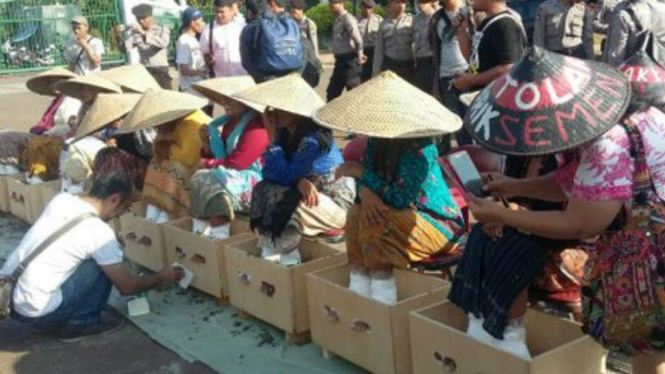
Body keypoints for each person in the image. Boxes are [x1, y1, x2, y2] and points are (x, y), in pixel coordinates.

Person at [448, 48, 632, 360]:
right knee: (486, 235)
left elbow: (578, 223)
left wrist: (506, 215)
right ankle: (486, 327)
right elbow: (565, 184)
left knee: (515, 246)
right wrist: (510, 188)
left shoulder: (605, 147)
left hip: (611, 240)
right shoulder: (579, 142)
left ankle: (507, 335)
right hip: (573, 228)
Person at [315, 71, 465, 304]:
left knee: (376, 220)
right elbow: (366, 178)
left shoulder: (420, 149)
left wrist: (360, 174)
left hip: (437, 224)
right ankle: (361, 290)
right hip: (394, 213)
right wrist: (365, 193)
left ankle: (382, 298)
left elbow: (399, 197)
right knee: (356, 213)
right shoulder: (377, 141)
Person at [0, 172, 183, 342]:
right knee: (105, 262)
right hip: (38, 314)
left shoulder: (62, 200)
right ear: (114, 199)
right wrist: (161, 277)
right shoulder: (99, 233)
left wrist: (110, 245)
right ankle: (81, 323)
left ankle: (67, 315)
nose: (121, 214)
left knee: (102, 254)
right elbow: (127, 287)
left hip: (10, 297)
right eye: (125, 208)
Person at [235, 74, 355, 265]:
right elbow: (269, 174)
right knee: (263, 189)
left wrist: (272, 140)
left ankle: (282, 254)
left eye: (282, 109)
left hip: (335, 202)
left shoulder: (315, 140)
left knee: (289, 203)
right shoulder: (285, 134)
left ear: (298, 111)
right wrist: (297, 181)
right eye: (273, 108)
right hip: (307, 196)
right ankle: (275, 252)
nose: (275, 113)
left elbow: (289, 174)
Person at [190, 76, 270, 239]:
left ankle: (220, 232)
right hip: (234, 175)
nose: (224, 102)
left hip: (257, 181)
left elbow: (239, 162)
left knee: (208, 179)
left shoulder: (256, 126)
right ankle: (200, 231)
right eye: (223, 98)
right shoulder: (229, 123)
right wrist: (207, 145)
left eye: (230, 98)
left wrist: (208, 163)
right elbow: (223, 157)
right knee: (200, 177)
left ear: (245, 101)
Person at [118, 89, 210, 223]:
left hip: (201, 173)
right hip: (186, 168)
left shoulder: (192, 124)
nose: (156, 127)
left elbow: (189, 159)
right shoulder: (172, 126)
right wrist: (166, 149)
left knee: (173, 167)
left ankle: (169, 213)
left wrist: (168, 149)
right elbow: (157, 149)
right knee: (156, 163)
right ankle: (154, 207)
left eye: (158, 122)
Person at [452, 0, 525, 92]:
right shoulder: (486, 23)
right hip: (483, 96)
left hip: (498, 98)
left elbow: (509, 67)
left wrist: (472, 80)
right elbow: (473, 60)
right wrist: (461, 29)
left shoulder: (504, 24)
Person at [430, 0, 473, 153]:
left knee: (470, 120)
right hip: (445, 75)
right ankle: (462, 162)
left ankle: (474, 157)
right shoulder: (436, 18)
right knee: (454, 120)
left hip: (468, 74)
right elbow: (433, 44)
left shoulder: (470, 12)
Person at [240, 0, 304, 83]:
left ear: (249, 11)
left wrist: (263, 78)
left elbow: (247, 62)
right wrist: (296, 74)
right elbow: (303, 51)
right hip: (292, 78)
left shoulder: (249, 29)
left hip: (266, 81)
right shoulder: (288, 23)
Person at [114, 4, 172, 89]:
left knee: (166, 99)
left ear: (151, 17)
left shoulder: (162, 29)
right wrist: (118, 36)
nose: (140, 21)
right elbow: (125, 49)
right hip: (146, 72)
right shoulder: (136, 34)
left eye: (143, 18)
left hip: (161, 73)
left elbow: (163, 43)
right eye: (138, 18)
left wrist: (144, 33)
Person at [603, 0, 665, 67]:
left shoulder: (624, 15)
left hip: (632, 70)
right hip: (660, 69)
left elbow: (616, 56)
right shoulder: (662, 9)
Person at [25, 67, 82, 137]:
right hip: (47, 135)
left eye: (58, 81)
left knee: (9, 136)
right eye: (52, 82)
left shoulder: (71, 100)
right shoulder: (57, 101)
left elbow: (68, 126)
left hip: (57, 138)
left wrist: (48, 133)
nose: (54, 85)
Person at [327, 0, 365, 101]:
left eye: (334, 3)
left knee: (354, 96)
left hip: (349, 62)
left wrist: (360, 53)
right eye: (330, 3)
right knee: (331, 94)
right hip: (339, 62)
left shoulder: (348, 18)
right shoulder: (337, 20)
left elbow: (358, 39)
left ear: (341, 3)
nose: (331, 5)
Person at [200, 0, 248, 79]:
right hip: (219, 79)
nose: (218, 15)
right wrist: (208, 59)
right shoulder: (209, 29)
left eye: (222, 12)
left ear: (231, 10)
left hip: (243, 77)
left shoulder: (241, 26)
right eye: (216, 12)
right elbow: (204, 53)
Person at [372, 0, 415, 82]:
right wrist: (375, 74)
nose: (401, 5)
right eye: (397, 2)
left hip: (408, 66)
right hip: (390, 65)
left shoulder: (412, 21)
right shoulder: (383, 25)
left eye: (403, 3)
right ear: (390, 4)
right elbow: (379, 51)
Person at [176, 8, 208, 97]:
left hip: (200, 89)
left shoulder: (195, 40)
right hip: (191, 91)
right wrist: (202, 73)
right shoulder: (184, 41)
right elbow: (184, 69)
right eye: (201, 21)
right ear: (192, 23)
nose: (203, 24)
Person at [357, 0, 383, 82]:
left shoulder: (379, 19)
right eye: (365, 7)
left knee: (375, 75)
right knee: (362, 77)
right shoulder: (355, 20)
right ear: (361, 7)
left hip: (375, 50)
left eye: (369, 8)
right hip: (361, 51)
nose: (367, 10)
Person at [413, 0, 436, 93]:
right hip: (419, 61)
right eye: (418, 2)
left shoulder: (435, 18)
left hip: (432, 61)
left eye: (424, 2)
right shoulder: (416, 19)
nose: (420, 5)